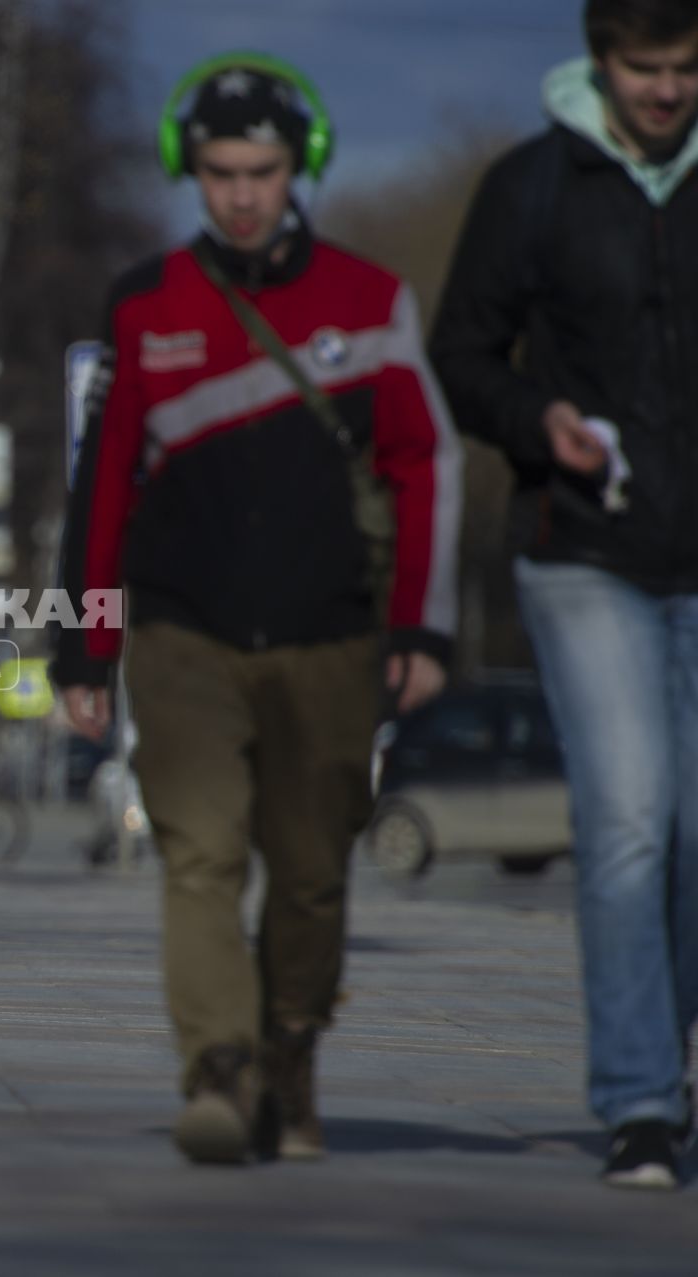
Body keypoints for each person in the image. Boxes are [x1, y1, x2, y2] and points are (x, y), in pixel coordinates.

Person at [52, 53, 463, 1165]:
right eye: (221, 171)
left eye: (263, 170)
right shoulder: (144, 304)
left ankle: (289, 1048)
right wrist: (84, 643)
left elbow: (424, 462)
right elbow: (100, 491)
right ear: (193, 170)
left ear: (301, 166)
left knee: (313, 870)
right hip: (183, 634)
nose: (241, 193)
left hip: (331, 636)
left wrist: (422, 629)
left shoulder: (371, 303)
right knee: (201, 853)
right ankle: (221, 1072)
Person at [430, 0, 698, 1191]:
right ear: (601, 64)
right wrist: (533, 417)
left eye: (688, 70)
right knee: (632, 818)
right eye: (646, 70)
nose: (667, 92)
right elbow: (460, 355)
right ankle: (642, 1100)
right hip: (580, 545)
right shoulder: (531, 187)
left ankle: (673, 1060)